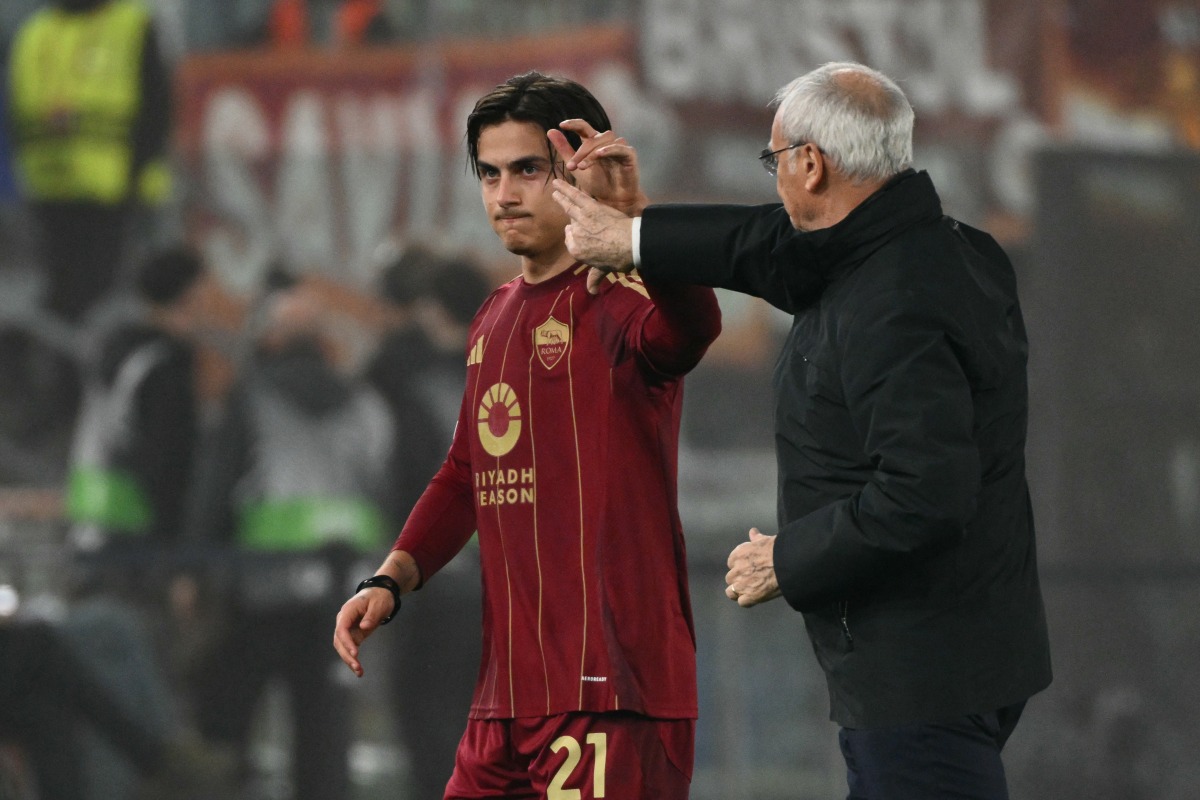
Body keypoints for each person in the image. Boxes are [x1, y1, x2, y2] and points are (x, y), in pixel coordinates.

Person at [552, 61, 1052, 800]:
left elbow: (925, 492)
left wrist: (790, 558)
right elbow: (767, 246)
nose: (774, 179)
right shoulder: (941, 251)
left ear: (811, 165)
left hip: (920, 673)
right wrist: (636, 233)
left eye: (774, 158)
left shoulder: (890, 299)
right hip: (957, 649)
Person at [332, 71, 722, 799]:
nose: (504, 194)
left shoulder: (627, 292)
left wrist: (636, 227)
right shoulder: (493, 315)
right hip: (506, 698)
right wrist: (392, 576)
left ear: (580, 169)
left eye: (527, 171)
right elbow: (466, 472)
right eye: (489, 173)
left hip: (613, 693)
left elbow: (694, 330)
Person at [192, 280, 395, 800]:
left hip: (263, 588)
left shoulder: (251, 398)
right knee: (325, 732)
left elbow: (216, 488)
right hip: (344, 596)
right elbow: (388, 488)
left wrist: (194, 567)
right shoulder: (366, 404)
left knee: (231, 712)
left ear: (273, 340)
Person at [6, 0, 173, 324]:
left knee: (112, 299)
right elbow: (18, 113)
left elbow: (156, 109)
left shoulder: (132, 25)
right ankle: (62, 370)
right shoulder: (33, 32)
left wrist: (135, 177)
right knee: (62, 298)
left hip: (117, 193)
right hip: (50, 192)